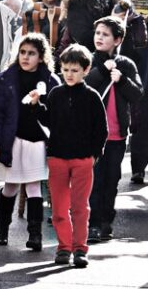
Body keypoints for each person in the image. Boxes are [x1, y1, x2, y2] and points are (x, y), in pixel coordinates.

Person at [0, 33, 61, 251]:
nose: (26, 57)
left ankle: (35, 233)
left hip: (36, 141)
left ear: (41, 57)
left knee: (34, 185)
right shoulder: (7, 78)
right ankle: (2, 229)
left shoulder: (50, 81)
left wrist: (41, 103)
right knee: (10, 186)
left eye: (32, 53)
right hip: (12, 140)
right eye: (23, 52)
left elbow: (53, 115)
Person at [45, 44, 107, 268]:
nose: (69, 74)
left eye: (74, 70)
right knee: (59, 207)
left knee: (80, 206)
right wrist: (34, 107)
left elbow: (101, 129)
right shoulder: (56, 94)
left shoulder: (92, 96)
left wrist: (94, 155)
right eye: (66, 69)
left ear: (85, 70)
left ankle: (80, 248)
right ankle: (64, 247)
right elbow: (47, 121)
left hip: (82, 159)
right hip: (58, 157)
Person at [86, 16, 143, 243]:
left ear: (117, 39)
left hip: (117, 134)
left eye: (106, 35)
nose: (100, 38)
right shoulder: (89, 59)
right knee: (95, 179)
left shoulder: (126, 64)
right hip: (92, 134)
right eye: (98, 33)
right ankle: (92, 223)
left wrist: (122, 81)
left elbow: (138, 93)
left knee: (112, 178)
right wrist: (101, 70)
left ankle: (106, 221)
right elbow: (81, 83)